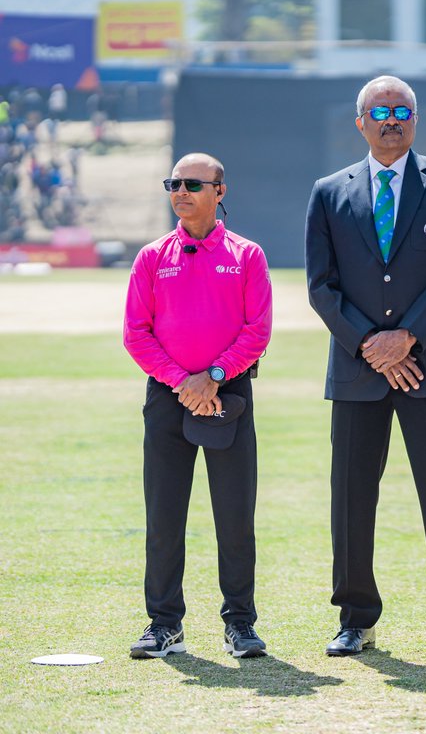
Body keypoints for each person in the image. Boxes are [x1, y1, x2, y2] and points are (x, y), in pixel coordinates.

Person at [305, 75, 426, 659]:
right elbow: (321, 287)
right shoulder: (329, 192)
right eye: (379, 111)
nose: (390, 119)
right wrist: (370, 346)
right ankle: (355, 618)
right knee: (351, 495)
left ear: (415, 119)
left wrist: (407, 338)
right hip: (358, 370)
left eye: (401, 110)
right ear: (360, 122)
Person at [123, 153, 272, 659]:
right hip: (168, 400)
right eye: (174, 183)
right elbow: (135, 334)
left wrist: (211, 377)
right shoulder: (151, 257)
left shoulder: (248, 254)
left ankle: (240, 625)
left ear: (220, 191)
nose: (181, 191)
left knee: (235, 517)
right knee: (164, 516)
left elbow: (258, 331)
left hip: (228, 396)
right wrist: (181, 382)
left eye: (192, 183)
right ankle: (164, 625)